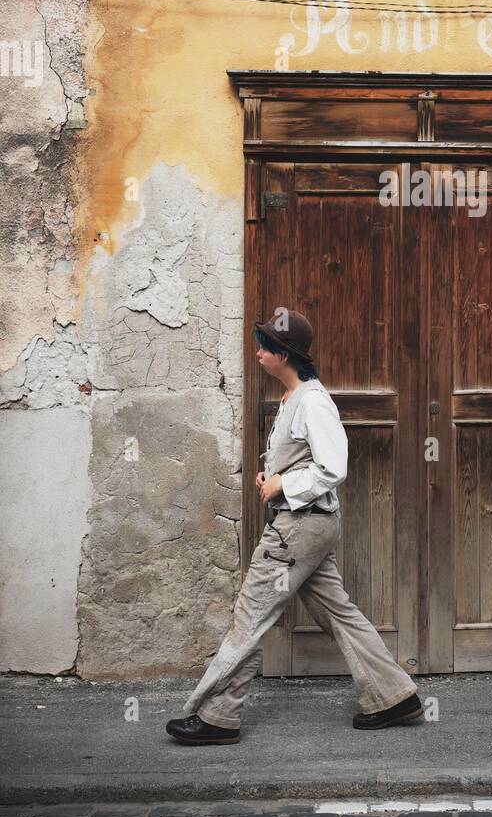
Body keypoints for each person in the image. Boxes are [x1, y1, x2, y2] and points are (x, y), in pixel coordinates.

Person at [166, 310, 422, 743]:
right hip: (309, 525)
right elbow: (303, 463)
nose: (259, 352)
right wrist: (273, 477)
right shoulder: (293, 399)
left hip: (299, 528)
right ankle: (394, 697)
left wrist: (288, 483)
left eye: (265, 345)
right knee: (337, 612)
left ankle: (217, 717)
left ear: (285, 355)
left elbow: (333, 466)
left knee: (252, 613)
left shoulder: (313, 401)